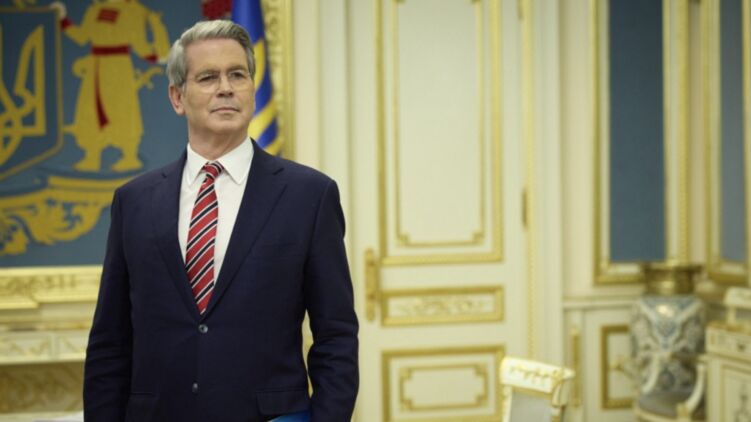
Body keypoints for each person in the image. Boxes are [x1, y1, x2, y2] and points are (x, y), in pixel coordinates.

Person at [83, 20, 359, 422]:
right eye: (208, 77)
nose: (226, 88)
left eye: (238, 75)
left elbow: (336, 335)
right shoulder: (134, 201)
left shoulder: (309, 196)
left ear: (252, 88)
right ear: (177, 97)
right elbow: (110, 341)